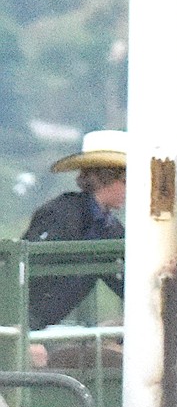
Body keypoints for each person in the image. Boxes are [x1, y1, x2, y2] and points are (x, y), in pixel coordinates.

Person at [22, 130, 127, 331]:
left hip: (41, 327)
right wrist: (25, 333)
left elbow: (124, 282)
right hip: (26, 327)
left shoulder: (110, 229)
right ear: (106, 179)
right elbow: (27, 277)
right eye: (125, 181)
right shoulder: (60, 214)